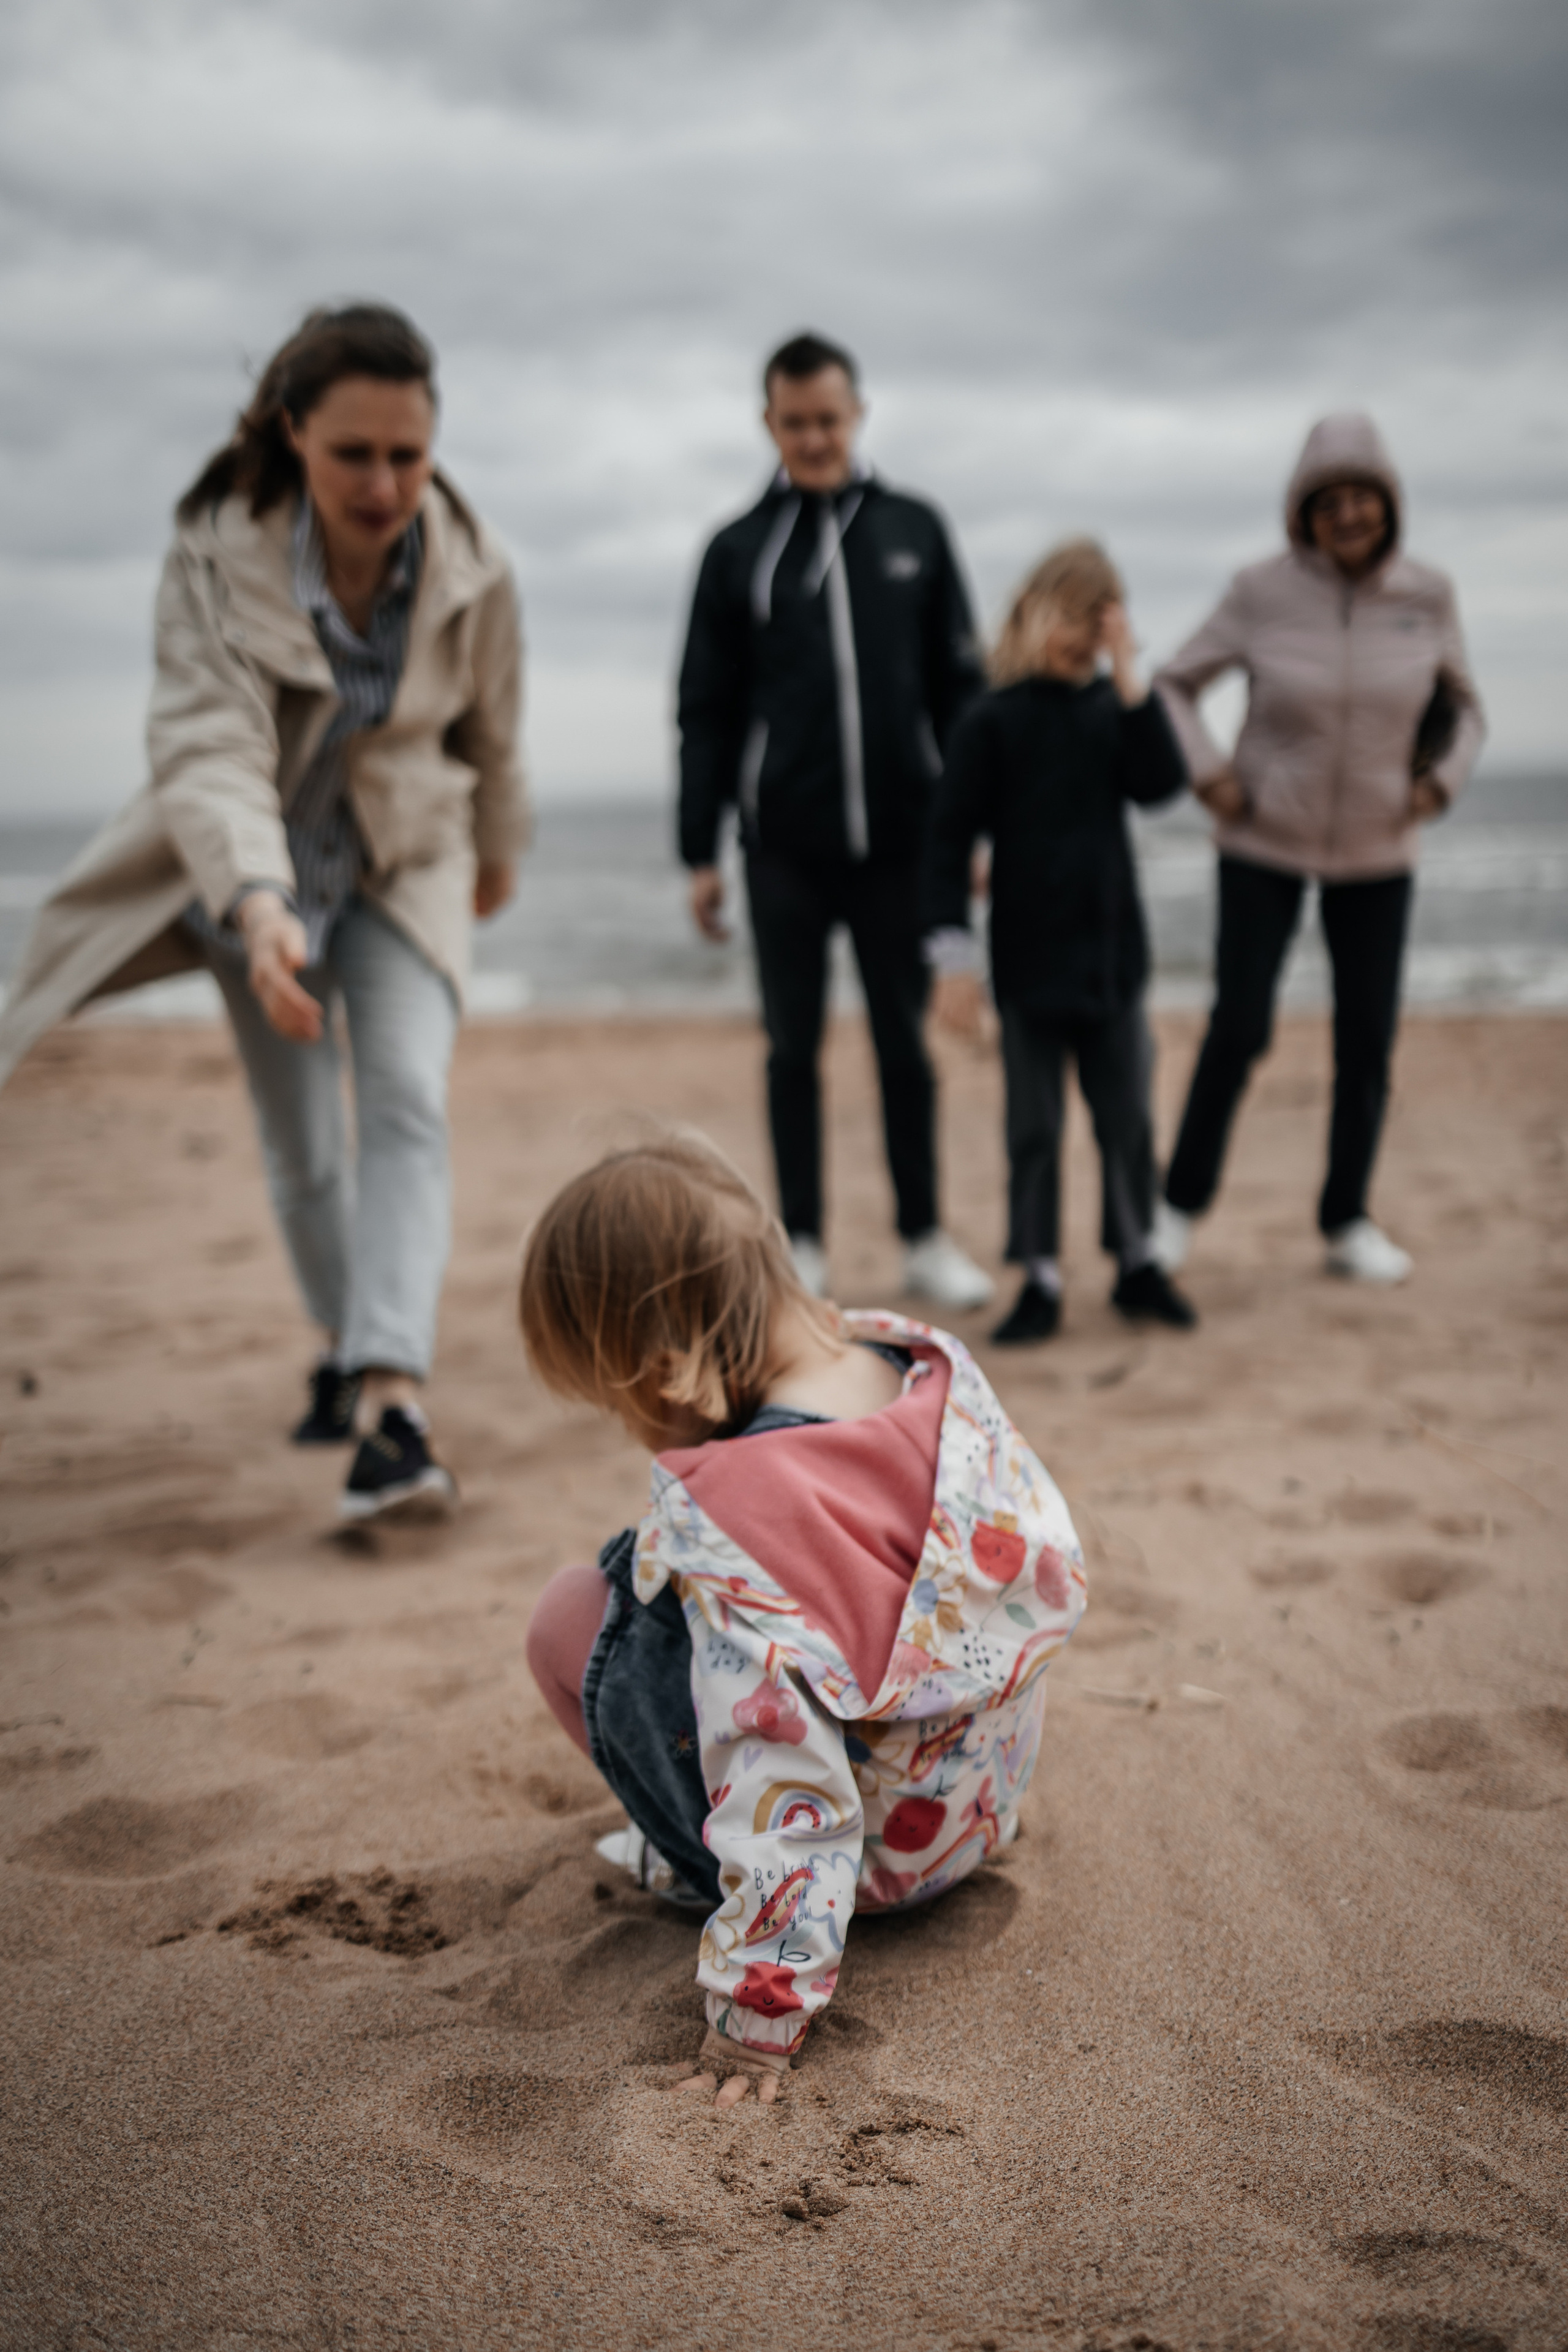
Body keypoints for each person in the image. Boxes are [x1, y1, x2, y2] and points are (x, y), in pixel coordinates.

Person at [0, 304, 527, 1518]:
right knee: (301, 1148)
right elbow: (208, 749)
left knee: (402, 1101)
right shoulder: (210, 552)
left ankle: (393, 1405)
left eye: (410, 453)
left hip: (406, 864)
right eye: (355, 453)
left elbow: (495, 729)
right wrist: (254, 902)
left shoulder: (477, 563)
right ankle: (350, 1346)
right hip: (250, 885)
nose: (386, 482)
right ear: (293, 434)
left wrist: (497, 849)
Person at [519, 1133, 1085, 2106]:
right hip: (969, 1814)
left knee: (572, 1617)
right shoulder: (920, 1374)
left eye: (619, 1404)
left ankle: (690, 1859)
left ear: (667, 1369)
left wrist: (758, 2019)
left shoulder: (747, 1506)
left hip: (867, 1867)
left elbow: (785, 1780)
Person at [677, 330, 993, 1312]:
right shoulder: (737, 552)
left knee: (905, 1043)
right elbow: (706, 710)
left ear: (857, 417)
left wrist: (972, 830)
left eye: (830, 420)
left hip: (903, 843)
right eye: (795, 422)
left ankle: (924, 1236)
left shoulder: (915, 529)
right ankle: (803, 1241)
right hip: (785, 851)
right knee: (791, 1048)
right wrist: (699, 851)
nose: (814, 438)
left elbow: (962, 691)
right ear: (770, 424)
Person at [1151, 412, 1484, 1286]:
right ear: (1302, 511)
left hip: (1380, 850)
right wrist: (1210, 775)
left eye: (1362, 499)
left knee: (1366, 1038)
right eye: (1327, 501)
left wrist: (1436, 785)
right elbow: (1174, 685)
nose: (1347, 515)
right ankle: (1176, 1209)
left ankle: (1346, 1218)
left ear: (1388, 505)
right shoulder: (1258, 590)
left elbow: (1468, 710)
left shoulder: (1428, 595)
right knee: (1240, 1026)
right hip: (1263, 840)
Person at [924, 539, 1196, 1342]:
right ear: (1028, 614)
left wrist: (1129, 679)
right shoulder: (991, 721)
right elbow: (946, 844)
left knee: (1128, 1120)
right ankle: (1038, 1274)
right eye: (1069, 618)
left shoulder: (1117, 712)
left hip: (1115, 962)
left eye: (1098, 621)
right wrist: (953, 958)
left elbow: (1160, 785)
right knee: (1034, 1128)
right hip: (1027, 965)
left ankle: (1138, 1261)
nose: (1080, 636)